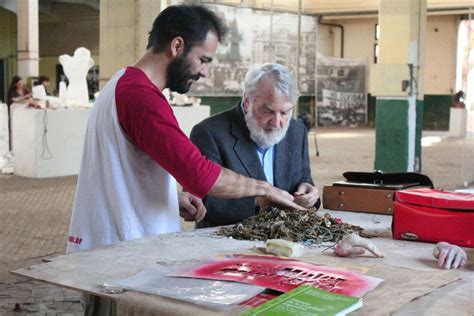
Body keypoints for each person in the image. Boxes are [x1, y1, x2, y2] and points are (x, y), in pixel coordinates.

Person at [190, 63, 320, 228]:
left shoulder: (297, 132)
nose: (278, 123)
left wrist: (308, 193)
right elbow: (201, 203)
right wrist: (258, 201)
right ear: (246, 102)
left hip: (285, 237)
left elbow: (304, 179)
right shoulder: (209, 133)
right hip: (226, 240)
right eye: (267, 111)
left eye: (285, 112)